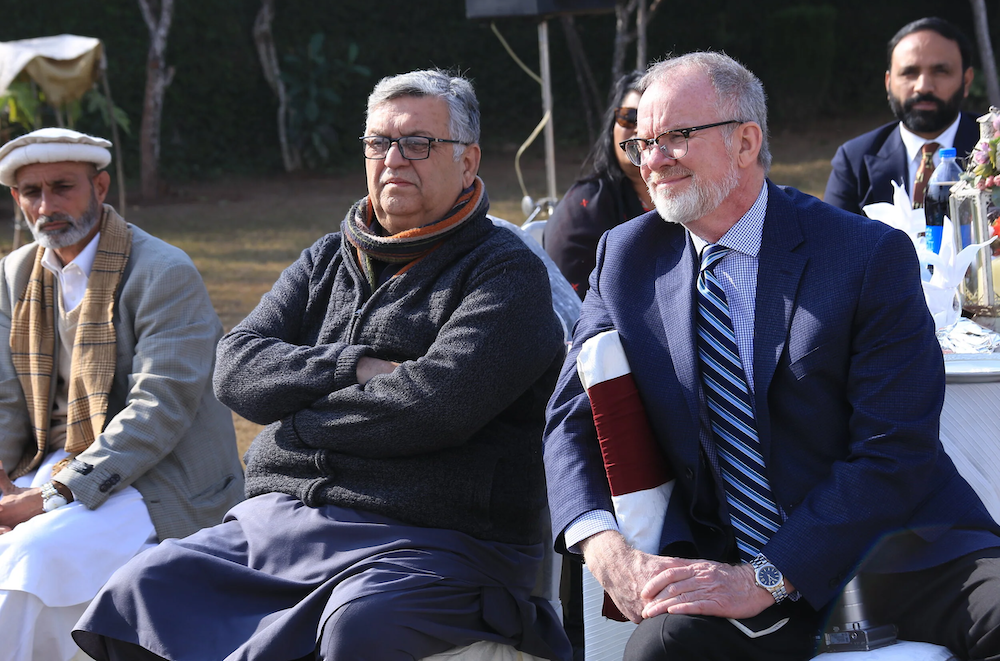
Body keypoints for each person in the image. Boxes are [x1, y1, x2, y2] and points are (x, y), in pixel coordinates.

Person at [73, 69, 572, 661]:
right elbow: (234, 366)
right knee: (139, 589)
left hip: (438, 542)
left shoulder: (506, 273)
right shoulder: (328, 258)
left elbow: (434, 408)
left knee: (357, 626)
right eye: (379, 143)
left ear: (468, 162)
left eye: (418, 143)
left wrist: (294, 420)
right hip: (283, 523)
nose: (394, 160)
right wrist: (353, 367)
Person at [543, 51, 1000, 661]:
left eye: (676, 137)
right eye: (641, 143)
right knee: (661, 650)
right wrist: (604, 548)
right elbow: (570, 421)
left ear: (745, 141)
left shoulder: (864, 256)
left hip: (905, 552)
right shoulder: (626, 258)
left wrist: (770, 575)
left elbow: (894, 449)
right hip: (731, 564)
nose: (652, 161)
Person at [0, 128, 244, 661]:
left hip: (160, 477)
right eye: (32, 192)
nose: (47, 206)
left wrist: (48, 496)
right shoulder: (16, 273)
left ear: (100, 187)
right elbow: (5, 397)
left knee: (33, 556)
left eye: (63, 187)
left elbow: (159, 408)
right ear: (16, 198)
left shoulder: (163, 271)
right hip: (50, 461)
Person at [825, 17, 980, 214]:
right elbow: (830, 233)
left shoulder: (993, 149)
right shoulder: (855, 161)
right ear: (888, 83)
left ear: (966, 82)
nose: (923, 87)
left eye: (940, 71)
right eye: (909, 72)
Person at [545, 71, 652, 299]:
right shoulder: (583, 209)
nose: (639, 129)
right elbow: (571, 305)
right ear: (612, 126)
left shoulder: (689, 197)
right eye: (629, 117)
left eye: (649, 119)